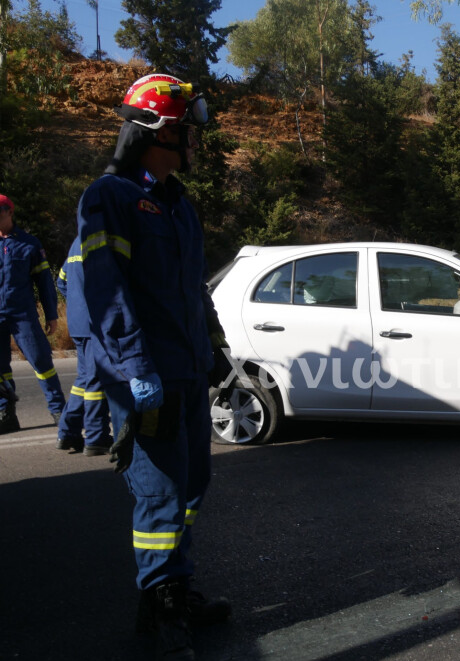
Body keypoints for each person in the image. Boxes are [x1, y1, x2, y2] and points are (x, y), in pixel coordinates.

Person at [76, 73, 230, 659]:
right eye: (186, 131)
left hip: (187, 370)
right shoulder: (109, 197)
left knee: (192, 484)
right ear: (156, 131)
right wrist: (136, 366)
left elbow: (194, 288)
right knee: (160, 492)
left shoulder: (179, 206)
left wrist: (213, 345)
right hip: (148, 374)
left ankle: (170, 588)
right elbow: (107, 291)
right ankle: (165, 605)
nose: (193, 143)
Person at [0, 193, 66, 433]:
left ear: (9, 212)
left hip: (22, 314)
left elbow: (44, 283)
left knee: (41, 361)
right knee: (1, 368)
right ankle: (6, 414)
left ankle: (59, 411)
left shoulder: (28, 243)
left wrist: (52, 315)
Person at [55, 237, 113, 455]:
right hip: (94, 324)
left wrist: (77, 302)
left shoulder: (76, 243)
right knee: (96, 380)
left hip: (79, 322)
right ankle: (96, 437)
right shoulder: (103, 241)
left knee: (84, 379)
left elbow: (61, 280)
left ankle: (68, 432)